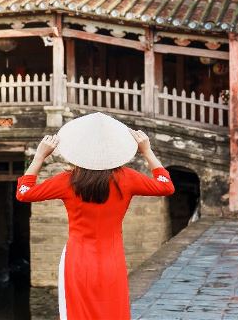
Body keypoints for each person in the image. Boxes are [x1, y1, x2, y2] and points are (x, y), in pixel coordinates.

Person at [16, 112, 175, 320]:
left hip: (78, 259)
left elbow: (24, 193)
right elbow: (166, 186)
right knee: (112, 313)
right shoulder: (127, 178)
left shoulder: (68, 181)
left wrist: (39, 156)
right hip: (112, 261)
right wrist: (147, 151)